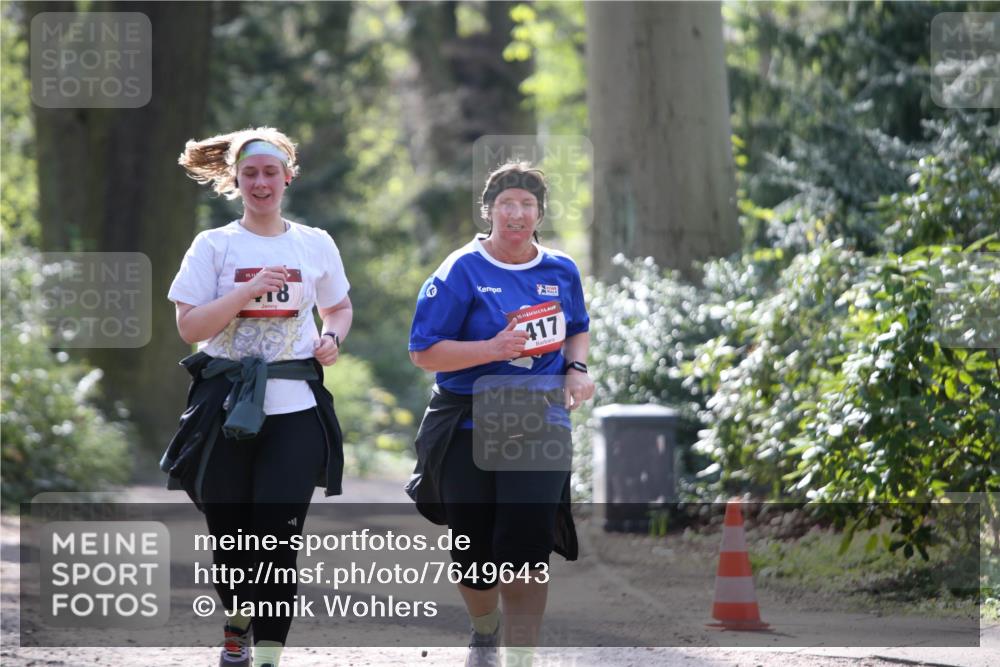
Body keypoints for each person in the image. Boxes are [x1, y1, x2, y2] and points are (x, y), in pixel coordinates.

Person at [161, 127, 353, 667]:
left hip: (294, 406)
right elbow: (190, 325)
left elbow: (338, 307)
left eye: (271, 172)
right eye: (251, 174)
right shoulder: (214, 245)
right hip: (224, 405)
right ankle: (237, 620)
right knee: (231, 536)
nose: (261, 183)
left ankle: (267, 656)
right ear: (235, 180)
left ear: (288, 177)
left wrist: (332, 338)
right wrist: (245, 290)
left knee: (277, 537)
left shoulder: (315, 243)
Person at [407, 161, 595, 667]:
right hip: (468, 422)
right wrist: (490, 349)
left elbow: (577, 325)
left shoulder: (561, 269)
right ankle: (485, 630)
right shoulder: (461, 270)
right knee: (474, 557)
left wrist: (576, 368)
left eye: (527, 205)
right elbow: (424, 353)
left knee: (527, 551)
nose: (516, 213)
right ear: (489, 211)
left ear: (539, 214)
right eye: (506, 204)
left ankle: (522, 657)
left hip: (540, 420)